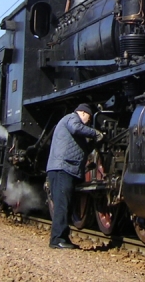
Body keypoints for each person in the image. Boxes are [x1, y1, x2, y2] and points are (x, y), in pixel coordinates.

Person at [46, 103, 104, 249]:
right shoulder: (71, 119)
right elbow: (76, 128)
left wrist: (94, 143)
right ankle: (57, 240)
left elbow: (83, 149)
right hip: (62, 169)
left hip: (65, 169)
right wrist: (95, 133)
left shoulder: (73, 128)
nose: (89, 122)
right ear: (83, 113)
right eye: (89, 118)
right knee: (62, 205)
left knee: (66, 204)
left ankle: (62, 238)